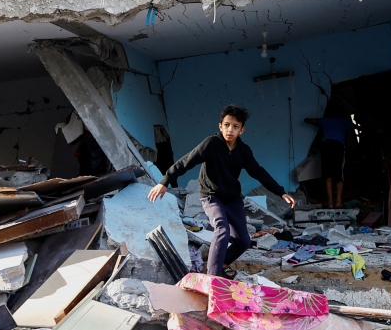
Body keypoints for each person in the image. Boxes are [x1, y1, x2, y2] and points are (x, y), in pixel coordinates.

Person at [148, 105, 296, 277]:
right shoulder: (211, 144)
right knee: (222, 231)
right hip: (211, 196)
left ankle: (221, 263)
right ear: (220, 126)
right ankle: (213, 277)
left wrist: (281, 192)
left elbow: (258, 172)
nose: (230, 130)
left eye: (235, 126)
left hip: (232, 199)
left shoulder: (243, 151)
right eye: (226, 125)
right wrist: (165, 181)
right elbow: (186, 161)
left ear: (242, 130)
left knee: (244, 241)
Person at [304, 113, 355, 208]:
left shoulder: (325, 120)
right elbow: (356, 127)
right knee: (339, 175)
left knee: (328, 175)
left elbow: (307, 120)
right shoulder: (344, 121)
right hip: (338, 145)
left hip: (326, 145)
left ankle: (330, 203)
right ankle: (338, 202)